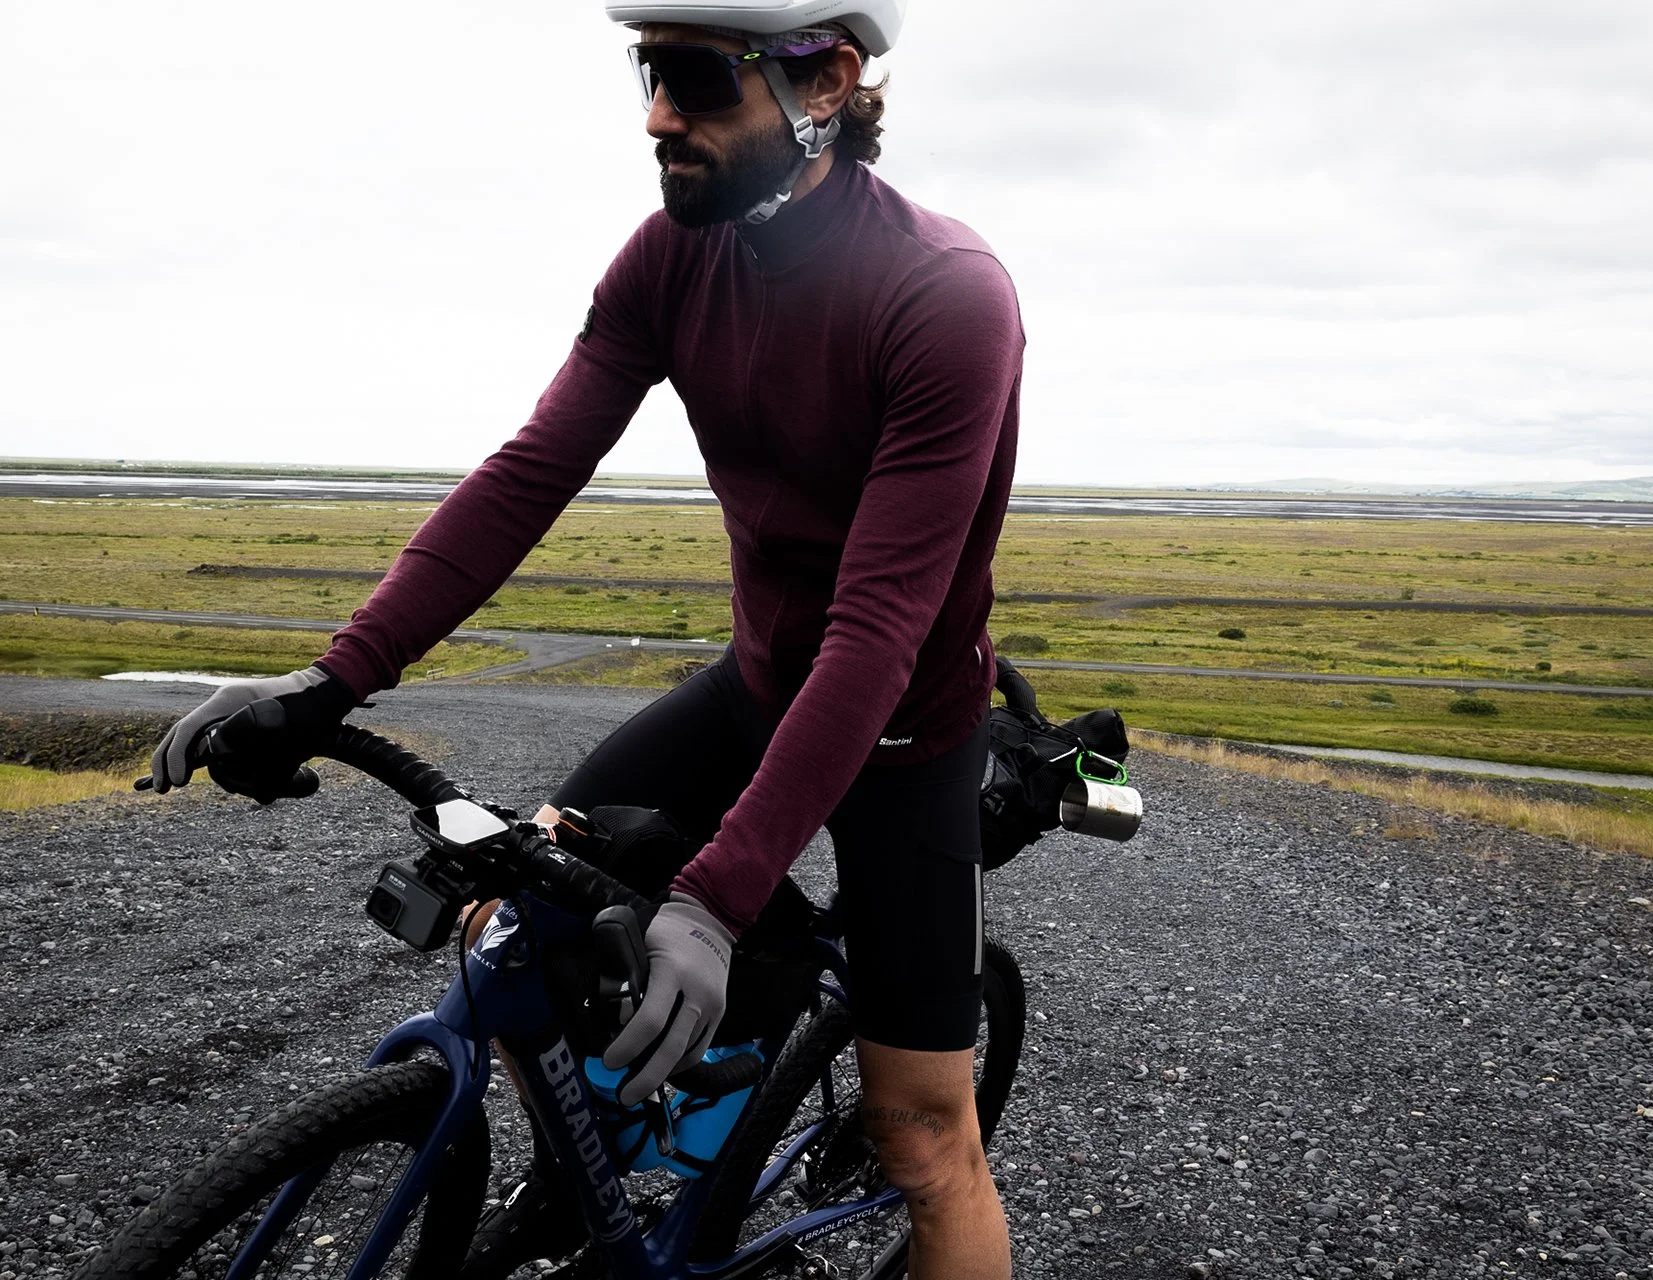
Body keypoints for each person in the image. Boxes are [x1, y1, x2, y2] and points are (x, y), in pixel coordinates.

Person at [150, 2, 1023, 1275]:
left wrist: (716, 901)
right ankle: (597, 1177)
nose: (658, 115)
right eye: (645, 73)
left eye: (692, 79)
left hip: (899, 731)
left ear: (825, 83)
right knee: (519, 904)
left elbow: (881, 627)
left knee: (926, 1141)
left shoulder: (944, 298)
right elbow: (530, 472)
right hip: (760, 682)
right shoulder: (673, 256)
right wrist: (337, 674)